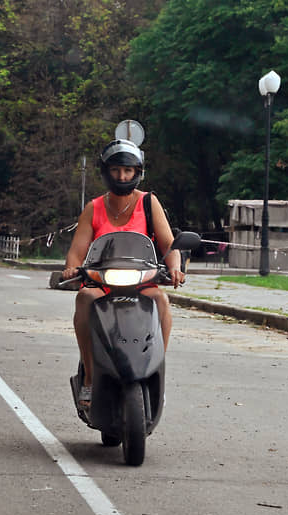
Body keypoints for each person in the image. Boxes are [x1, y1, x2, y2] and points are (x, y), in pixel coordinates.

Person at [62, 139, 185, 407]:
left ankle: (155, 373)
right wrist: (72, 266)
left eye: (128, 171)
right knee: (84, 298)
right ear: (106, 171)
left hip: (141, 283)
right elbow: (77, 250)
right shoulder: (93, 208)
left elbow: (169, 244)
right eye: (116, 170)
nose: (122, 176)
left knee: (161, 300)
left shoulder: (149, 203)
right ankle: (90, 379)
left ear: (138, 172)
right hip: (103, 284)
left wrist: (174, 267)